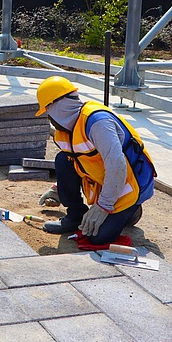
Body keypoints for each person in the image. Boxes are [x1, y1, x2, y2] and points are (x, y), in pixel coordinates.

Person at [34, 75, 156, 245]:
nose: (48, 117)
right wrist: (58, 189)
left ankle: (131, 211)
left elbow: (117, 166)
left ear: (59, 106)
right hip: (108, 180)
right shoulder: (70, 127)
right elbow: (77, 159)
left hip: (130, 185)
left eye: (48, 110)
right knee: (63, 159)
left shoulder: (98, 123)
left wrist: (103, 207)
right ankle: (75, 215)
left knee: (97, 237)